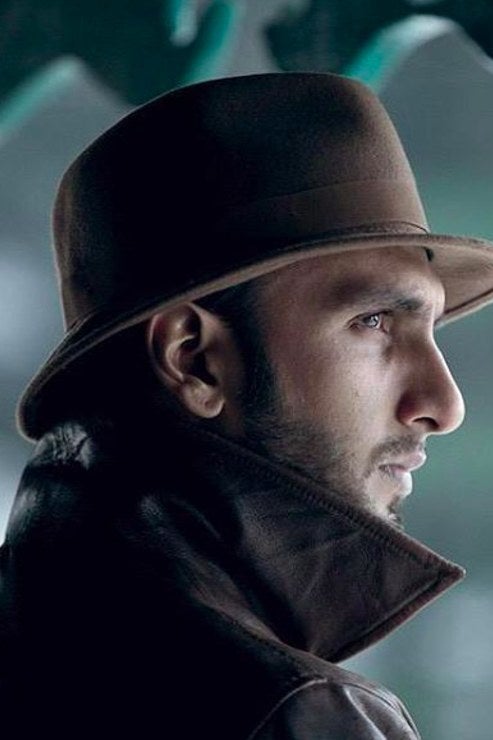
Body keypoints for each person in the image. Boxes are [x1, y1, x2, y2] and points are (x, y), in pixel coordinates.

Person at [1, 72, 493, 738]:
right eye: (374, 322)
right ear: (194, 359)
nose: (443, 404)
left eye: (430, 329)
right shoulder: (294, 712)